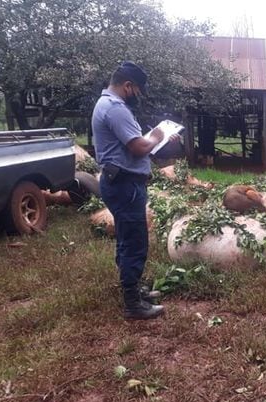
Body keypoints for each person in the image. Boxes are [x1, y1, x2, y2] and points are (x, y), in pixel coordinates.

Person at [92, 61, 175, 320]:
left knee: (127, 237)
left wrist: (151, 140)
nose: (137, 96)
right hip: (124, 185)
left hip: (120, 181)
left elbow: (131, 144)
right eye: (137, 90)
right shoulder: (115, 109)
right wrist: (157, 137)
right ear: (128, 86)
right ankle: (132, 304)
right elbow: (138, 147)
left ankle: (134, 288)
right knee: (135, 241)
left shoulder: (106, 104)